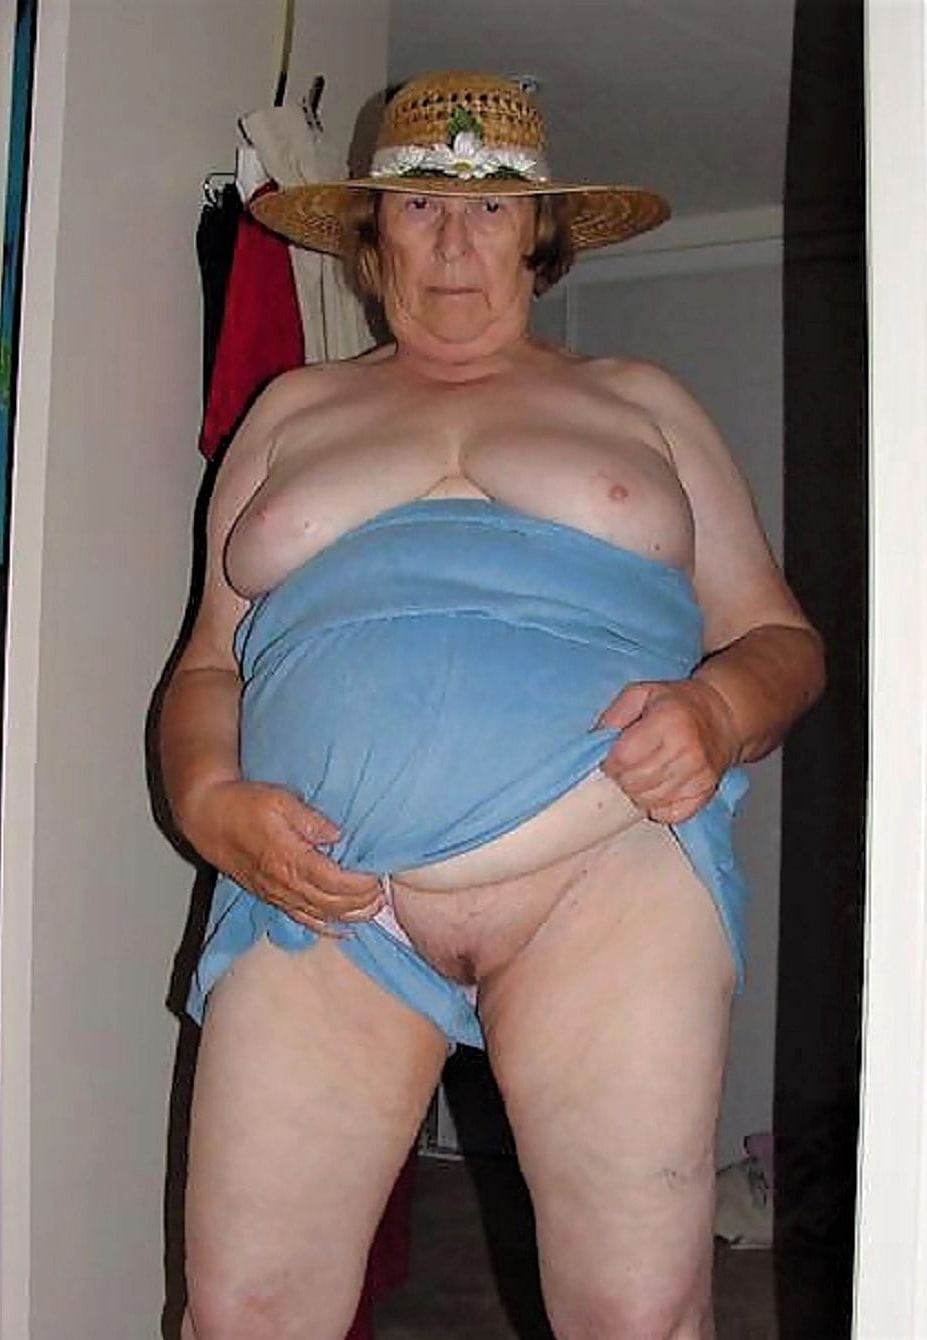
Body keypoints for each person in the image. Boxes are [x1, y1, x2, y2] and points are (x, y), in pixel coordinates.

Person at [160, 71, 824, 1340]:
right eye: (419, 205)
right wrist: (209, 801)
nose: (455, 239)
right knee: (243, 1313)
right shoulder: (290, 410)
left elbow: (780, 638)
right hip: (325, 896)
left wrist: (721, 710)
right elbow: (205, 668)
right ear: (372, 239)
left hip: (603, 871)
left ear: (540, 234)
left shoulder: (642, 400)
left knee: (636, 1314)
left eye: (491, 207)